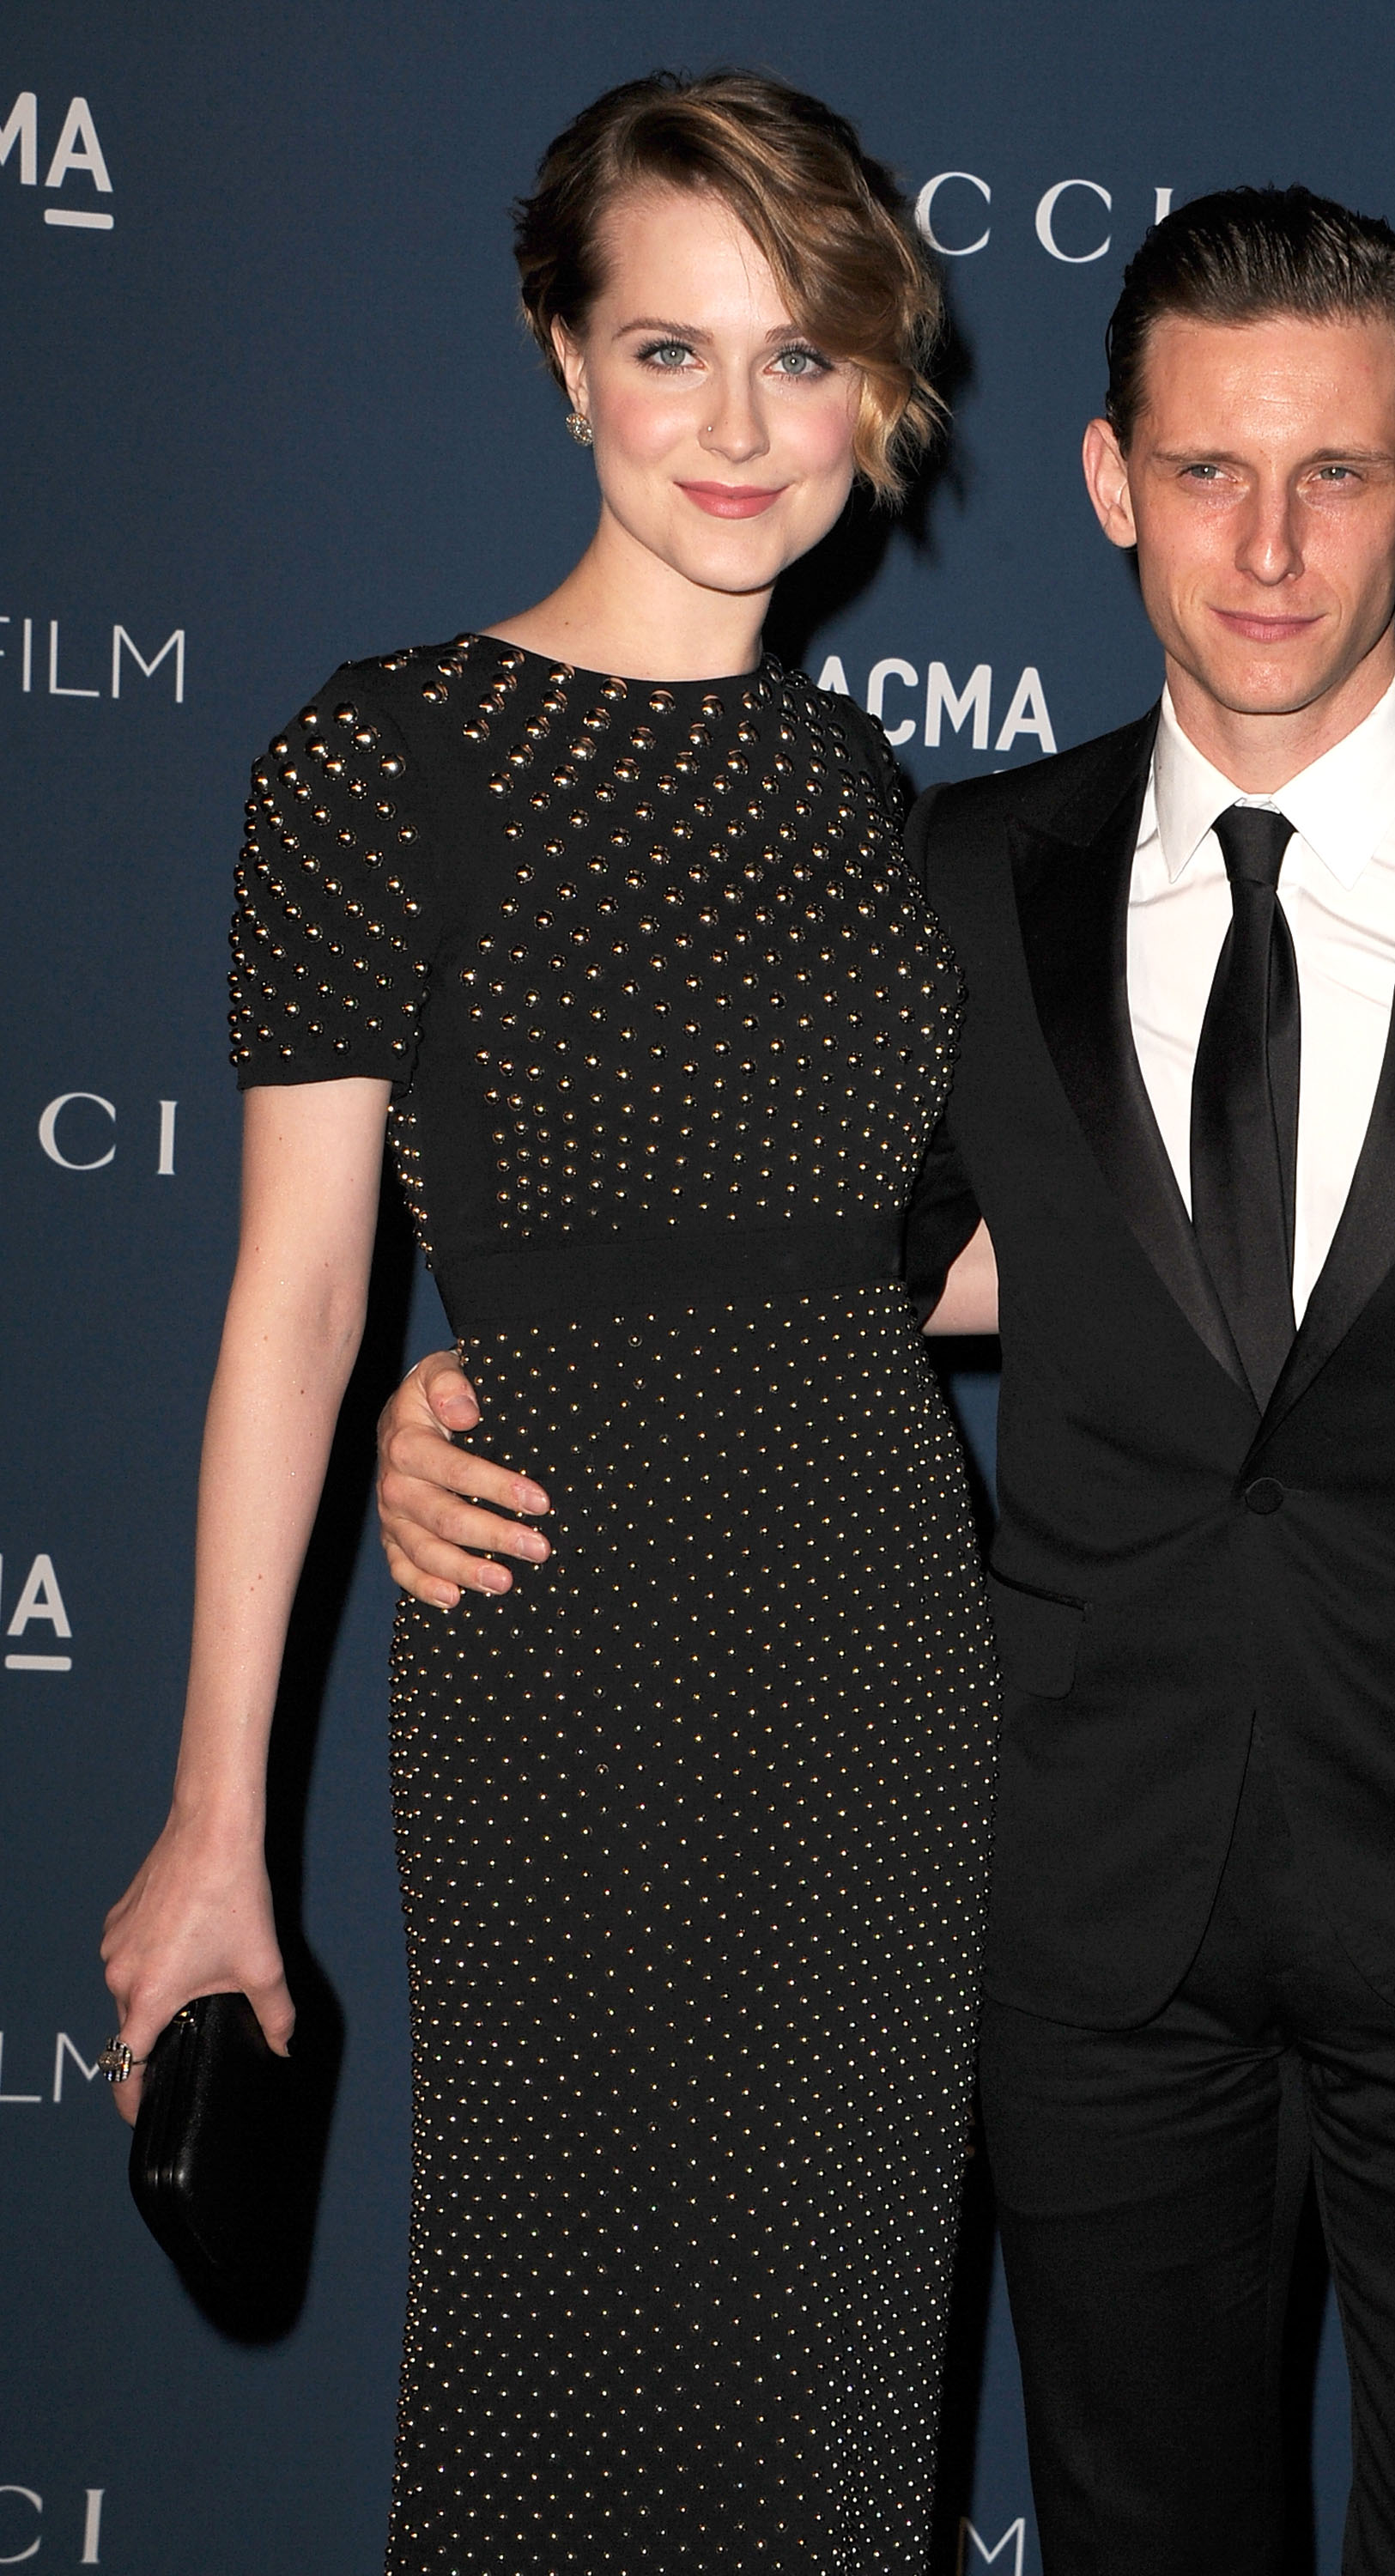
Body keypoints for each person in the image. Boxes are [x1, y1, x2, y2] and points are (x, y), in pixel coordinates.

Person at [375, 189, 1395, 2574]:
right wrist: (445, 1398)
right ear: (1106, 480)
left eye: (1336, 475)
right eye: (1207, 473)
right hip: (1079, 1914)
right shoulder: (960, 869)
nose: (1266, 547)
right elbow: (836, 1261)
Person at [99, 69, 1004, 2575]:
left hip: (879, 1658)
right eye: (670, 348)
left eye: (800, 355)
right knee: (552, 2355)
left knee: (835, 2414)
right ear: (561, 357)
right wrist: (211, 1825)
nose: (739, 425)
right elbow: (297, 1302)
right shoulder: (383, 758)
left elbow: (910, 1260)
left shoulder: (866, 790)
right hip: (559, 1638)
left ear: (878, 391)